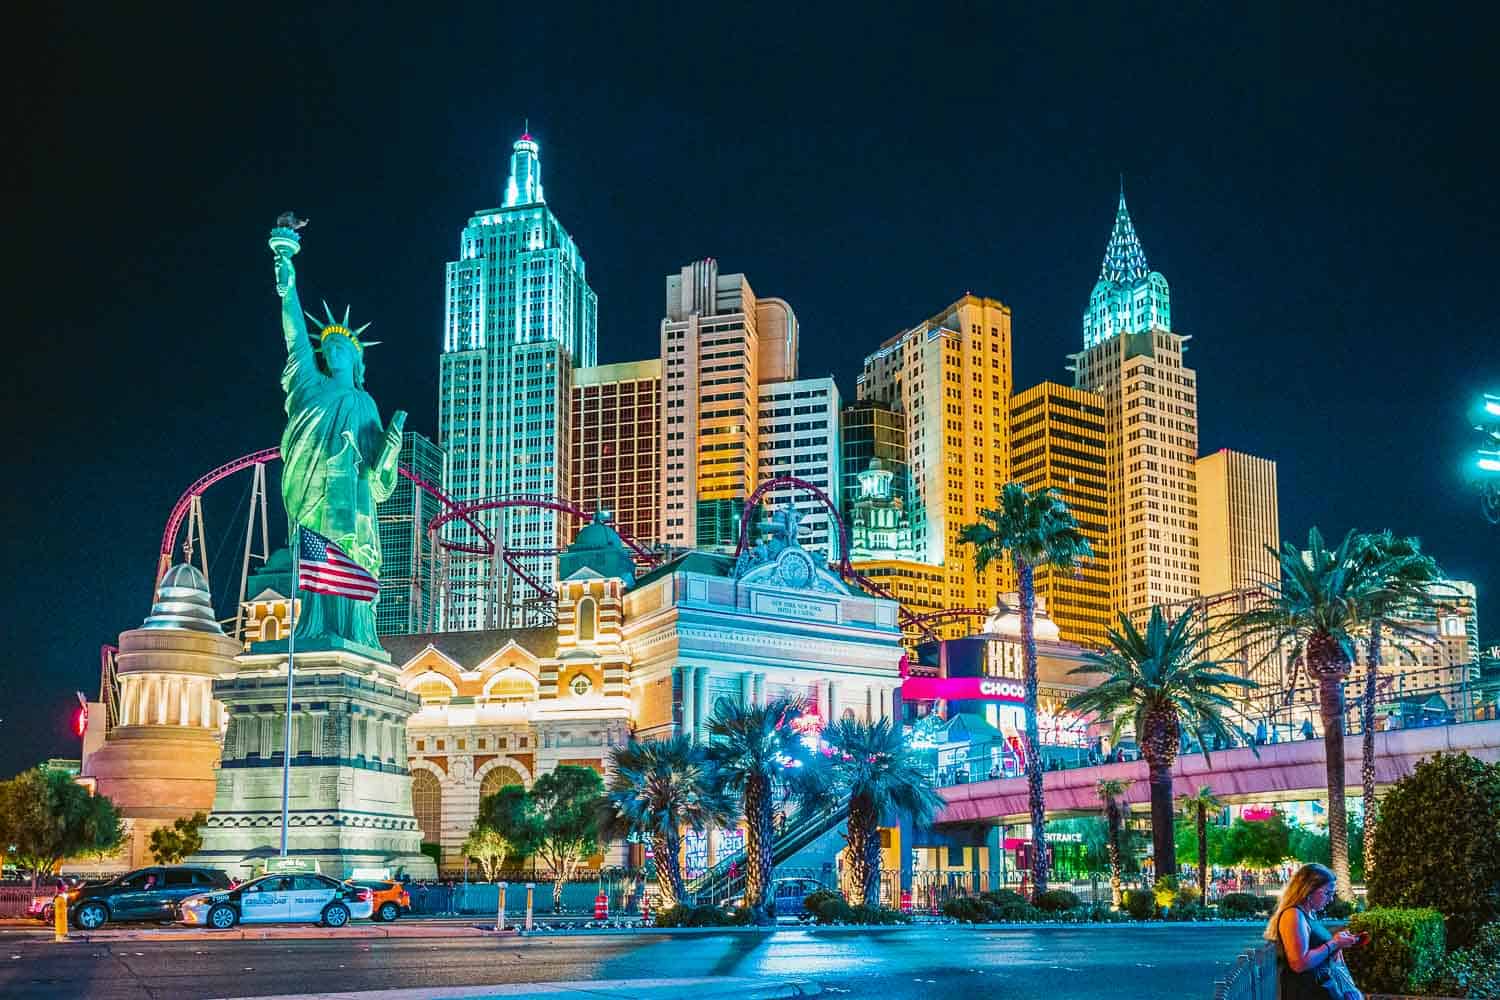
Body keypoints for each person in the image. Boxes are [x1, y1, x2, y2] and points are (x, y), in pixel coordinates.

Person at [1265, 863, 1362, 1000]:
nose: (1330, 899)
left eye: (1332, 894)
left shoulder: (1309, 914)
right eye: (1327, 893)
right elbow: (1299, 963)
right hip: (1306, 991)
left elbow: (1320, 951)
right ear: (1308, 890)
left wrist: (1338, 945)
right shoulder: (1293, 915)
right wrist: (1334, 943)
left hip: (1322, 988)